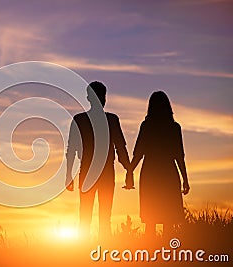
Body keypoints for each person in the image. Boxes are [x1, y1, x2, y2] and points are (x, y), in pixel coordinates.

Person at [65, 81, 130, 240]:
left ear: (89, 98)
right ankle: (101, 250)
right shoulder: (111, 120)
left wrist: (68, 175)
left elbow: (71, 150)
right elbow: (120, 148)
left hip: (89, 171)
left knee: (87, 215)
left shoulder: (80, 120)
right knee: (103, 216)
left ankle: (87, 251)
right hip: (104, 172)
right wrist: (129, 170)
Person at [126, 91, 190, 237]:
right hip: (168, 173)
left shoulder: (147, 126)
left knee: (151, 218)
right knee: (168, 217)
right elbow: (179, 156)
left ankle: (151, 251)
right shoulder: (174, 127)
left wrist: (130, 172)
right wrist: (185, 179)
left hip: (150, 173)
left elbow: (138, 153)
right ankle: (166, 251)